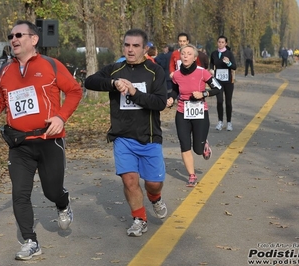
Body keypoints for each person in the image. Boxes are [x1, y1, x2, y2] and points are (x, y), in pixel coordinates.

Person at [0, 20, 82, 261]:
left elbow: (74, 91)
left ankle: (63, 203)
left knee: (52, 191)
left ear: (34, 39)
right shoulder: (5, 71)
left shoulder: (50, 65)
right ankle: (31, 241)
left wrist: (61, 117)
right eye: (11, 36)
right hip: (19, 143)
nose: (14, 39)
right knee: (20, 193)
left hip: (49, 140)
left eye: (19, 35)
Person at [84, 28, 168, 237]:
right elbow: (89, 81)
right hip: (122, 136)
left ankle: (154, 198)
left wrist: (133, 92)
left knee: (154, 183)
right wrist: (112, 84)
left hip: (149, 136)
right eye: (127, 45)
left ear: (145, 48)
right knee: (129, 180)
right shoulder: (115, 69)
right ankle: (139, 219)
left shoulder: (154, 71)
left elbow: (159, 103)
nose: (130, 50)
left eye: (135, 46)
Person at [166, 44, 221, 186]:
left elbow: (218, 88)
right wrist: (171, 98)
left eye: (189, 54)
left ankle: (204, 145)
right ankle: (192, 175)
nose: (185, 56)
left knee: (197, 149)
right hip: (182, 112)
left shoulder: (203, 73)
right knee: (184, 145)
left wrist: (204, 93)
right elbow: (174, 90)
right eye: (183, 53)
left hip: (200, 113)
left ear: (195, 58)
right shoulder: (176, 75)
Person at [209, 35, 237, 131]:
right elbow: (211, 63)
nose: (220, 44)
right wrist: (211, 69)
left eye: (222, 42)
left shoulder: (229, 53)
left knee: (228, 102)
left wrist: (228, 63)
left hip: (228, 81)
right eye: (219, 42)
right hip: (218, 81)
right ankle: (220, 121)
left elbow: (234, 66)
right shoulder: (214, 53)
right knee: (219, 101)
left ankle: (229, 122)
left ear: (226, 43)